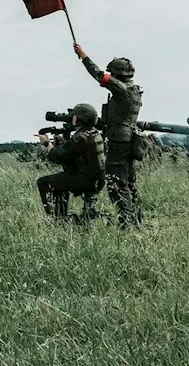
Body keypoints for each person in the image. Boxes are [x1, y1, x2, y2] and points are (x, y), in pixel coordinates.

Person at [73, 43, 144, 228]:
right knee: (129, 180)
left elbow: (98, 75)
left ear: (118, 75)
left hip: (119, 141)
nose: (110, 75)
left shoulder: (122, 90)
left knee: (116, 182)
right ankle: (136, 219)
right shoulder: (134, 90)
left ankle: (126, 221)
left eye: (112, 73)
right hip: (127, 139)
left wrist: (83, 56)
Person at [35, 102, 106, 223]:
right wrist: (62, 141)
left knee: (43, 182)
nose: (72, 117)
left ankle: (57, 219)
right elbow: (74, 152)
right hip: (96, 179)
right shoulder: (94, 134)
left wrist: (47, 143)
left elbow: (57, 156)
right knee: (60, 181)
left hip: (84, 180)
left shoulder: (80, 138)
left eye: (74, 115)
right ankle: (62, 216)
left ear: (80, 119)